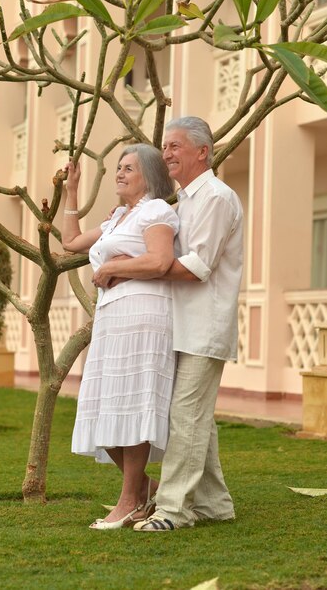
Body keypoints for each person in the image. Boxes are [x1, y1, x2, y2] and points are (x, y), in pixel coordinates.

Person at [131, 116, 244, 531]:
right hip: (182, 324)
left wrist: (136, 269)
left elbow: (198, 266)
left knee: (187, 416)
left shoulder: (215, 196)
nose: (166, 154)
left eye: (175, 146)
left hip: (204, 325)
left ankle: (174, 510)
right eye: (165, 146)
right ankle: (215, 505)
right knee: (197, 419)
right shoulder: (188, 199)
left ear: (203, 151)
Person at [62, 143, 179, 530]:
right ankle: (144, 489)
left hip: (143, 315)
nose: (120, 173)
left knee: (130, 406)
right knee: (102, 407)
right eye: (118, 167)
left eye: (129, 167)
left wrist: (116, 266)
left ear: (149, 175)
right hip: (113, 318)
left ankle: (130, 500)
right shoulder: (116, 219)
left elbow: (161, 260)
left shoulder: (157, 211)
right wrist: (72, 192)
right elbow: (71, 243)